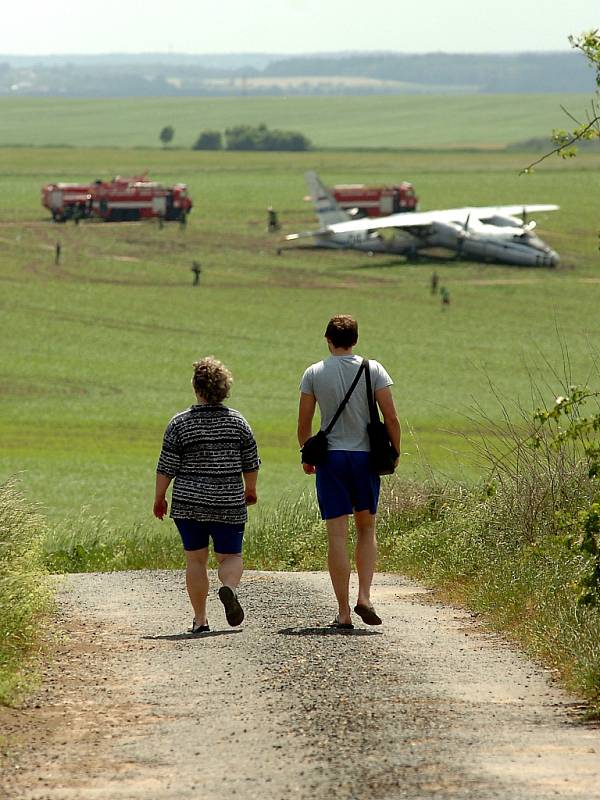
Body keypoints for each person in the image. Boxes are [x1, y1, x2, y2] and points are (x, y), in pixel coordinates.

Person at [297, 315, 400, 629]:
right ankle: (365, 596)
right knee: (366, 529)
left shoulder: (314, 373)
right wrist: (394, 453)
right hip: (365, 458)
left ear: (328, 339)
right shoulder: (374, 369)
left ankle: (343, 612)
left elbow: (303, 426)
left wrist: (308, 454)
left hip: (331, 460)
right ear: (355, 339)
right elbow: (391, 418)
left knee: (337, 537)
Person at [154, 357, 260, 633]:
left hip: (189, 503)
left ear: (196, 388)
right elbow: (251, 462)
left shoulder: (179, 424)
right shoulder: (238, 423)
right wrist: (250, 490)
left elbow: (166, 466)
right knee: (230, 557)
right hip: (228, 500)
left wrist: (159, 497)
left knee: (196, 560)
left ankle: (200, 620)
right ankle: (228, 588)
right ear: (224, 389)